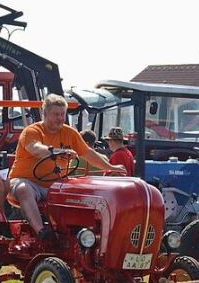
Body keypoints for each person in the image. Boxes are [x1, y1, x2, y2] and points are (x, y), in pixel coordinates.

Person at [8, 94, 124, 241]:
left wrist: (110, 167)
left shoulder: (69, 133)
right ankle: (42, 232)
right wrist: (57, 151)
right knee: (23, 189)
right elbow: (35, 148)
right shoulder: (32, 131)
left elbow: (87, 153)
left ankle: (84, 236)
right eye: (56, 114)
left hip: (56, 184)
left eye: (62, 114)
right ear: (44, 114)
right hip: (29, 182)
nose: (60, 118)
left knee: (81, 191)